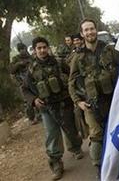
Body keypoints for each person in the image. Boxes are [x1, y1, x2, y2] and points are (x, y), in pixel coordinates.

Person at [68, 19, 119, 177]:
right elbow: (71, 82)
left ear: (96, 30)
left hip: (113, 100)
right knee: (96, 136)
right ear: (82, 34)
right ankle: (99, 169)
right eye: (86, 30)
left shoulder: (110, 50)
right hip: (92, 104)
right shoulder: (77, 57)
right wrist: (78, 102)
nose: (90, 32)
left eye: (92, 29)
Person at [26, 37, 83, 180]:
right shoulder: (31, 69)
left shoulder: (59, 62)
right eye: (39, 48)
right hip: (46, 108)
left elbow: (72, 77)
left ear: (48, 48)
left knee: (70, 129)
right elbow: (25, 89)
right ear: (34, 50)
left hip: (64, 103)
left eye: (44, 47)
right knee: (52, 136)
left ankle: (76, 148)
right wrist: (33, 100)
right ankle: (56, 163)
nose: (42, 50)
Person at [10, 43, 39, 124]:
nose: (24, 51)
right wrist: (19, 64)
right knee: (28, 101)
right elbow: (12, 70)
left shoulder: (29, 57)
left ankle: (39, 115)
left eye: (25, 49)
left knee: (37, 97)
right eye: (22, 49)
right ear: (19, 50)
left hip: (33, 81)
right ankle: (31, 118)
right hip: (23, 82)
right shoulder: (16, 59)